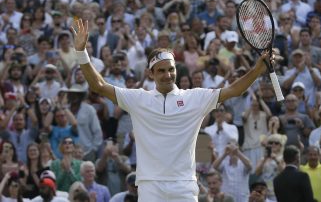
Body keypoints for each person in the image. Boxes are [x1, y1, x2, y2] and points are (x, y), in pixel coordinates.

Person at [71, 18, 273, 201]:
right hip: (150, 186)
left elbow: (234, 90)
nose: (168, 74)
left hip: (184, 186)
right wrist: (81, 53)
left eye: (171, 69)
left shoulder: (195, 97)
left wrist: (256, 70)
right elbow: (98, 85)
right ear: (150, 74)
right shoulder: (138, 98)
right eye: (161, 70)